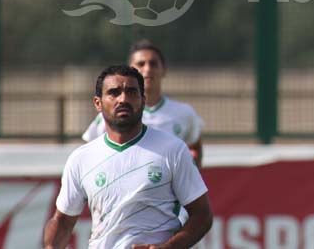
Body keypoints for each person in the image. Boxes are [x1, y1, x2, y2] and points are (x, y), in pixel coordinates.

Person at [43, 65, 213, 248]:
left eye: (131, 92)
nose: (123, 99)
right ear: (97, 103)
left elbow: (202, 215)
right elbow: (63, 221)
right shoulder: (81, 159)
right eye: (114, 93)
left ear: (143, 100)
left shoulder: (173, 149)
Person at [83, 40, 205, 167]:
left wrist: (188, 173)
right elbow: (88, 151)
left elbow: (195, 148)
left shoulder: (184, 113)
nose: (147, 69)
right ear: (130, 69)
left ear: (164, 70)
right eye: (141, 64)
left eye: (153, 64)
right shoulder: (111, 115)